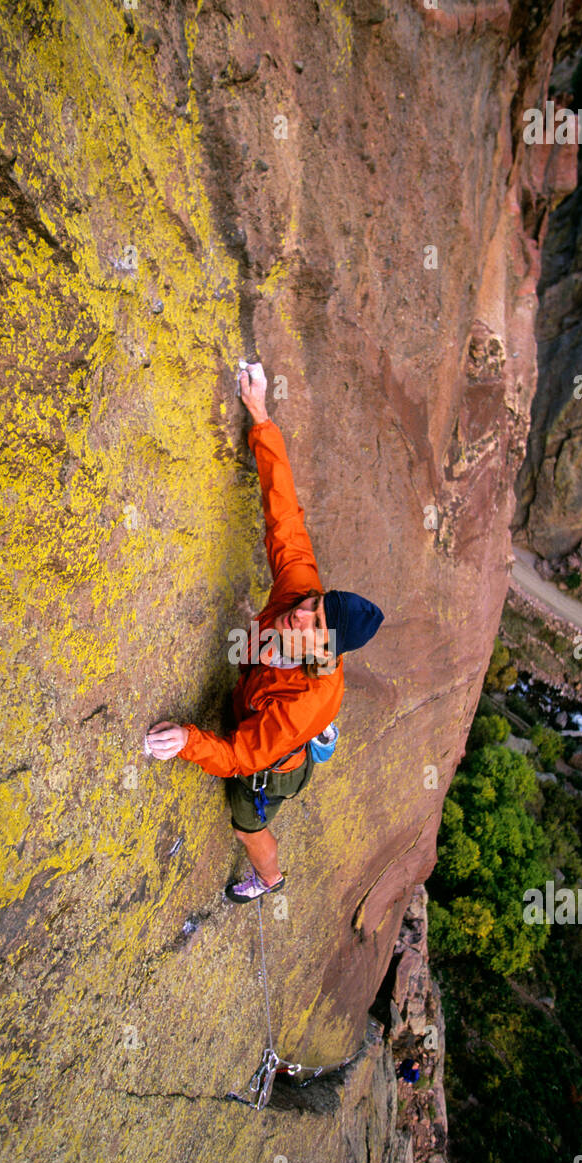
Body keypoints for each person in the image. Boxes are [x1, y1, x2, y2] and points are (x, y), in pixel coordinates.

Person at [145, 362, 384, 903]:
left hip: (273, 765)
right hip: (268, 711)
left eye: (314, 623)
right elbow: (285, 519)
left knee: (246, 826)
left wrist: (186, 740)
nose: (299, 613)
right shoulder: (301, 595)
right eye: (313, 604)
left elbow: (242, 758)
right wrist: (261, 415)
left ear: (326, 647)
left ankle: (270, 882)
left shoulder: (308, 699)